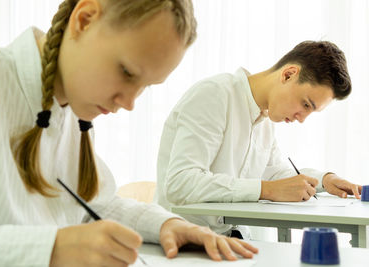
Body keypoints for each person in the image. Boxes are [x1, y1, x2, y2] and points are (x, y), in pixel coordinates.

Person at [0, 0, 258, 266]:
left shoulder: (73, 111)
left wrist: (168, 224)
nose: (130, 103)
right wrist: (51, 248)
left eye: (146, 85)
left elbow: (95, 203)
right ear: (84, 20)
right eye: (127, 72)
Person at [155, 40, 362, 238]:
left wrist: (325, 180)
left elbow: (277, 173)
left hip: (228, 241)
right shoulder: (215, 95)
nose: (302, 119)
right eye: (306, 104)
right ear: (289, 74)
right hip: (182, 242)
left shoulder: (265, 120)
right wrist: (266, 190)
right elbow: (179, 182)